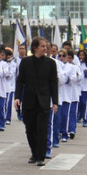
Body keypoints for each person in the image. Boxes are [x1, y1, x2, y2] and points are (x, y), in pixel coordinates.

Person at [14, 37, 58, 167]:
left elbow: (53, 83)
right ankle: (34, 153)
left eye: (46, 46)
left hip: (44, 101)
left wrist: (55, 102)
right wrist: (17, 98)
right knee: (30, 129)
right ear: (35, 48)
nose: (46, 48)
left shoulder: (50, 63)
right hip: (29, 100)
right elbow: (20, 81)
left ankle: (41, 156)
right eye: (43, 46)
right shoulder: (25, 62)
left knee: (42, 129)